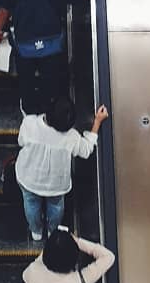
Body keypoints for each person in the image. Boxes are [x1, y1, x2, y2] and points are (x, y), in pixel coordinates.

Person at [0, 0, 110, 115]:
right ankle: (51, 107)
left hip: (24, 49)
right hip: (52, 50)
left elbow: (4, 10)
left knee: (26, 80)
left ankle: (28, 107)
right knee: (53, 81)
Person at [16, 96, 108, 241]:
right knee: (56, 207)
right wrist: (97, 122)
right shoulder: (71, 137)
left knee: (31, 204)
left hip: (29, 178)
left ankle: (36, 231)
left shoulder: (30, 123)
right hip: (57, 185)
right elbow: (86, 150)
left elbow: (21, 141)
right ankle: (53, 231)